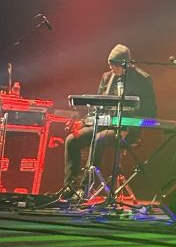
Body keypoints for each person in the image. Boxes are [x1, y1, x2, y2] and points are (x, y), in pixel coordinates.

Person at [62, 44, 157, 195]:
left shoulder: (142, 79)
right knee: (72, 140)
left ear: (125, 64)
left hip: (127, 129)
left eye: (115, 65)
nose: (111, 67)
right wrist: (84, 122)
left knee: (99, 139)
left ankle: (85, 188)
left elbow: (150, 112)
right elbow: (96, 107)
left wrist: (128, 127)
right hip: (103, 123)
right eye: (110, 64)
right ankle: (71, 187)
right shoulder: (107, 77)